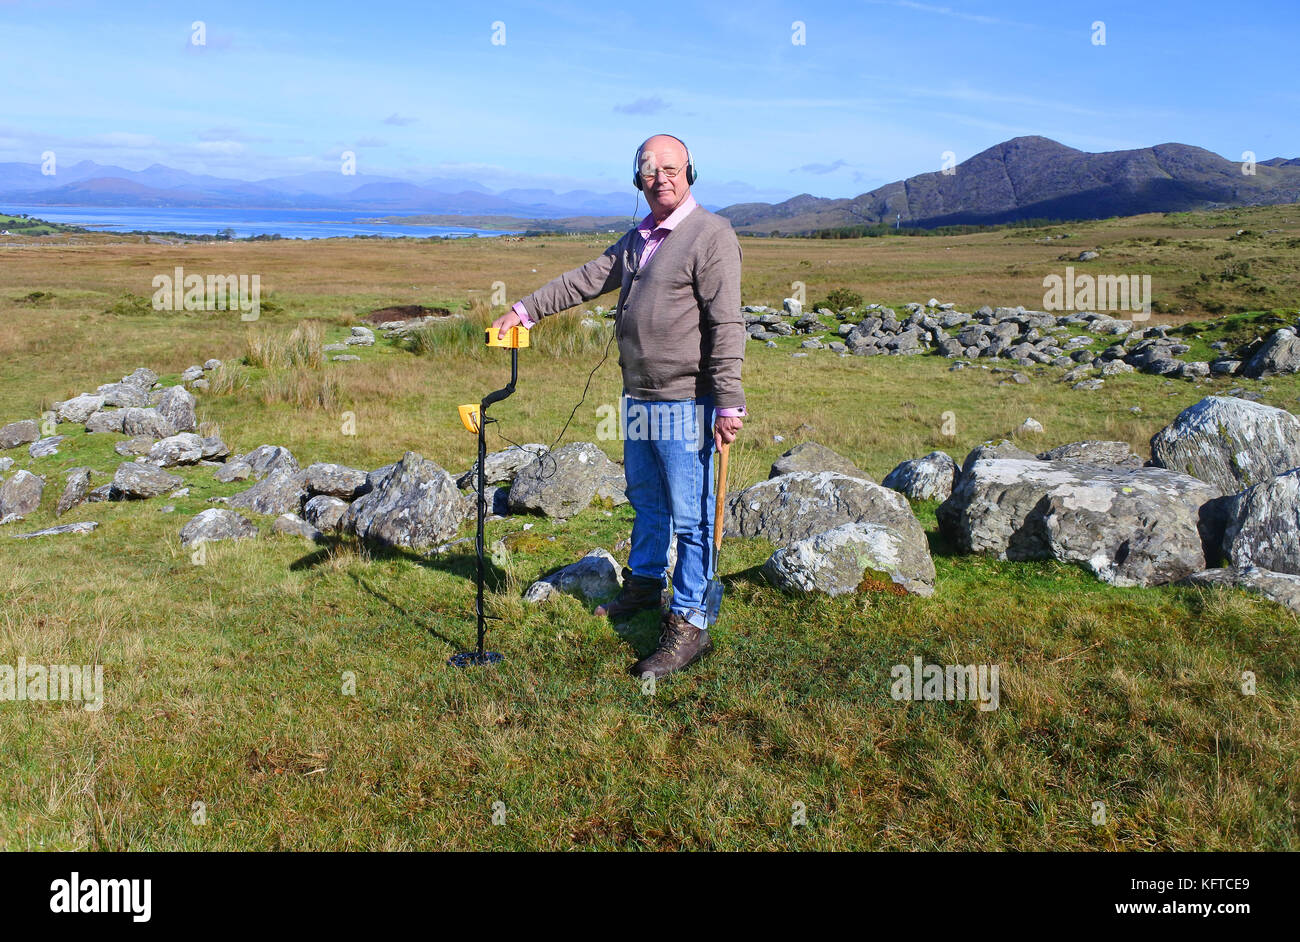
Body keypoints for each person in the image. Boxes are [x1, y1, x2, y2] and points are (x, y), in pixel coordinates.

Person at [490, 133, 746, 679]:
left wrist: (728, 401)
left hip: (687, 400)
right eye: (651, 171)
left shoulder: (711, 235)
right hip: (638, 398)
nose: (663, 178)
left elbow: (727, 323)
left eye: (672, 168)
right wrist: (524, 310)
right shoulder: (638, 239)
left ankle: (689, 622)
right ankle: (645, 587)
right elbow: (585, 280)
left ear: (691, 172)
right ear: (638, 179)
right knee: (646, 502)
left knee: (693, 518)